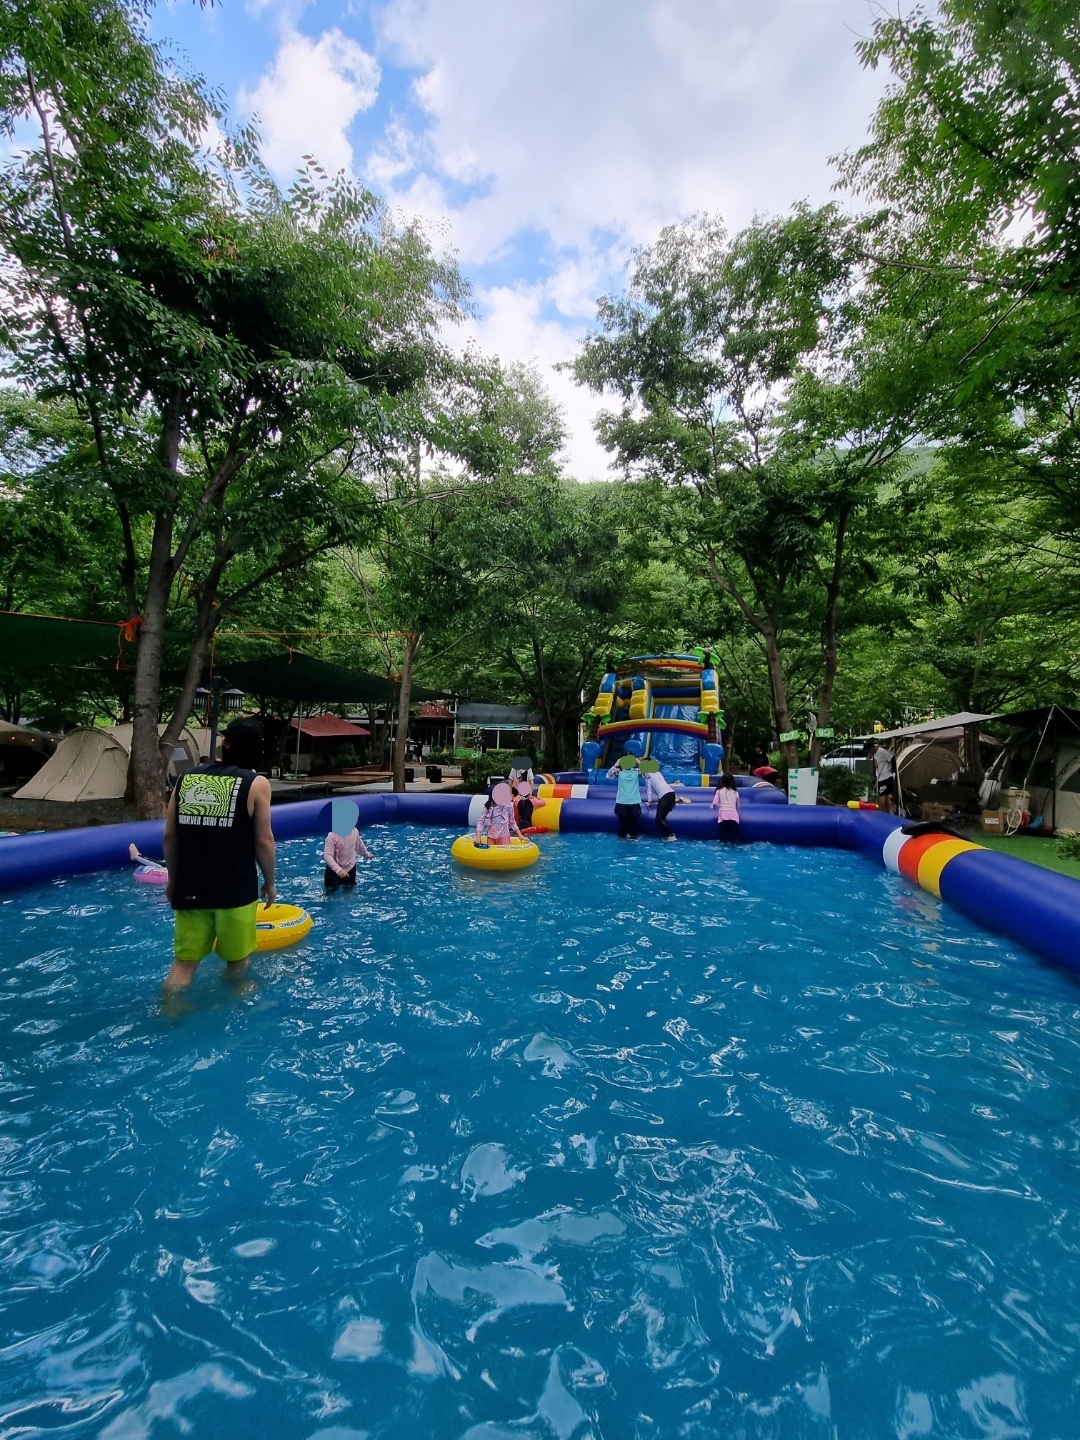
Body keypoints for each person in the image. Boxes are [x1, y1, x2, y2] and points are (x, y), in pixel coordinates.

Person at [162, 717, 276, 992]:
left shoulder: (186, 778)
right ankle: (234, 1015)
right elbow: (264, 840)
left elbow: (170, 836)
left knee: (184, 964)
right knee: (237, 964)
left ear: (225, 743)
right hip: (236, 889)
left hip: (191, 888)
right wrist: (270, 882)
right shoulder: (256, 783)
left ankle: (170, 1010)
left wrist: (173, 880)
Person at [323, 798, 373, 891]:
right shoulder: (332, 836)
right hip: (334, 870)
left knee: (350, 888)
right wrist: (338, 870)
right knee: (331, 891)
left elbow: (359, 844)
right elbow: (327, 855)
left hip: (350, 867)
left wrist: (366, 854)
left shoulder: (354, 831)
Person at [640, 758, 691, 839]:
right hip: (671, 794)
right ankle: (678, 800)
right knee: (660, 803)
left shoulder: (648, 775)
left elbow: (649, 789)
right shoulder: (657, 772)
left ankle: (670, 836)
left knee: (659, 818)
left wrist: (649, 802)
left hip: (665, 796)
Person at [475, 781, 523, 846]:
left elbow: (512, 822)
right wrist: (478, 836)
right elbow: (481, 821)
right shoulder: (489, 806)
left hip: (504, 836)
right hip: (491, 836)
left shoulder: (509, 806)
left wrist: (520, 836)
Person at [606, 753, 642, 838]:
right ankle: (623, 840)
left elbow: (648, 774)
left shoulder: (636, 771)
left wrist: (638, 762)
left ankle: (633, 839)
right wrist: (617, 763)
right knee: (623, 826)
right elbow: (608, 776)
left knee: (634, 827)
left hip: (634, 802)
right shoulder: (619, 771)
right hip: (622, 802)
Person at [868, 740, 897, 814]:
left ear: (872, 748)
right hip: (881, 776)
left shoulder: (882, 751)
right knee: (887, 797)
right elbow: (869, 758)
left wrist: (893, 769)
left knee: (882, 796)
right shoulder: (875, 753)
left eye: (869, 750)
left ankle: (880, 812)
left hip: (885, 776)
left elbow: (892, 757)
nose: (869, 752)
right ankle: (891, 812)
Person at [710, 771, 741, 840]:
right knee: (734, 839)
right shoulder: (735, 792)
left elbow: (714, 803)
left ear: (723, 781)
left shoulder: (719, 791)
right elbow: (737, 806)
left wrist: (713, 807)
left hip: (723, 816)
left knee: (723, 839)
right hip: (734, 817)